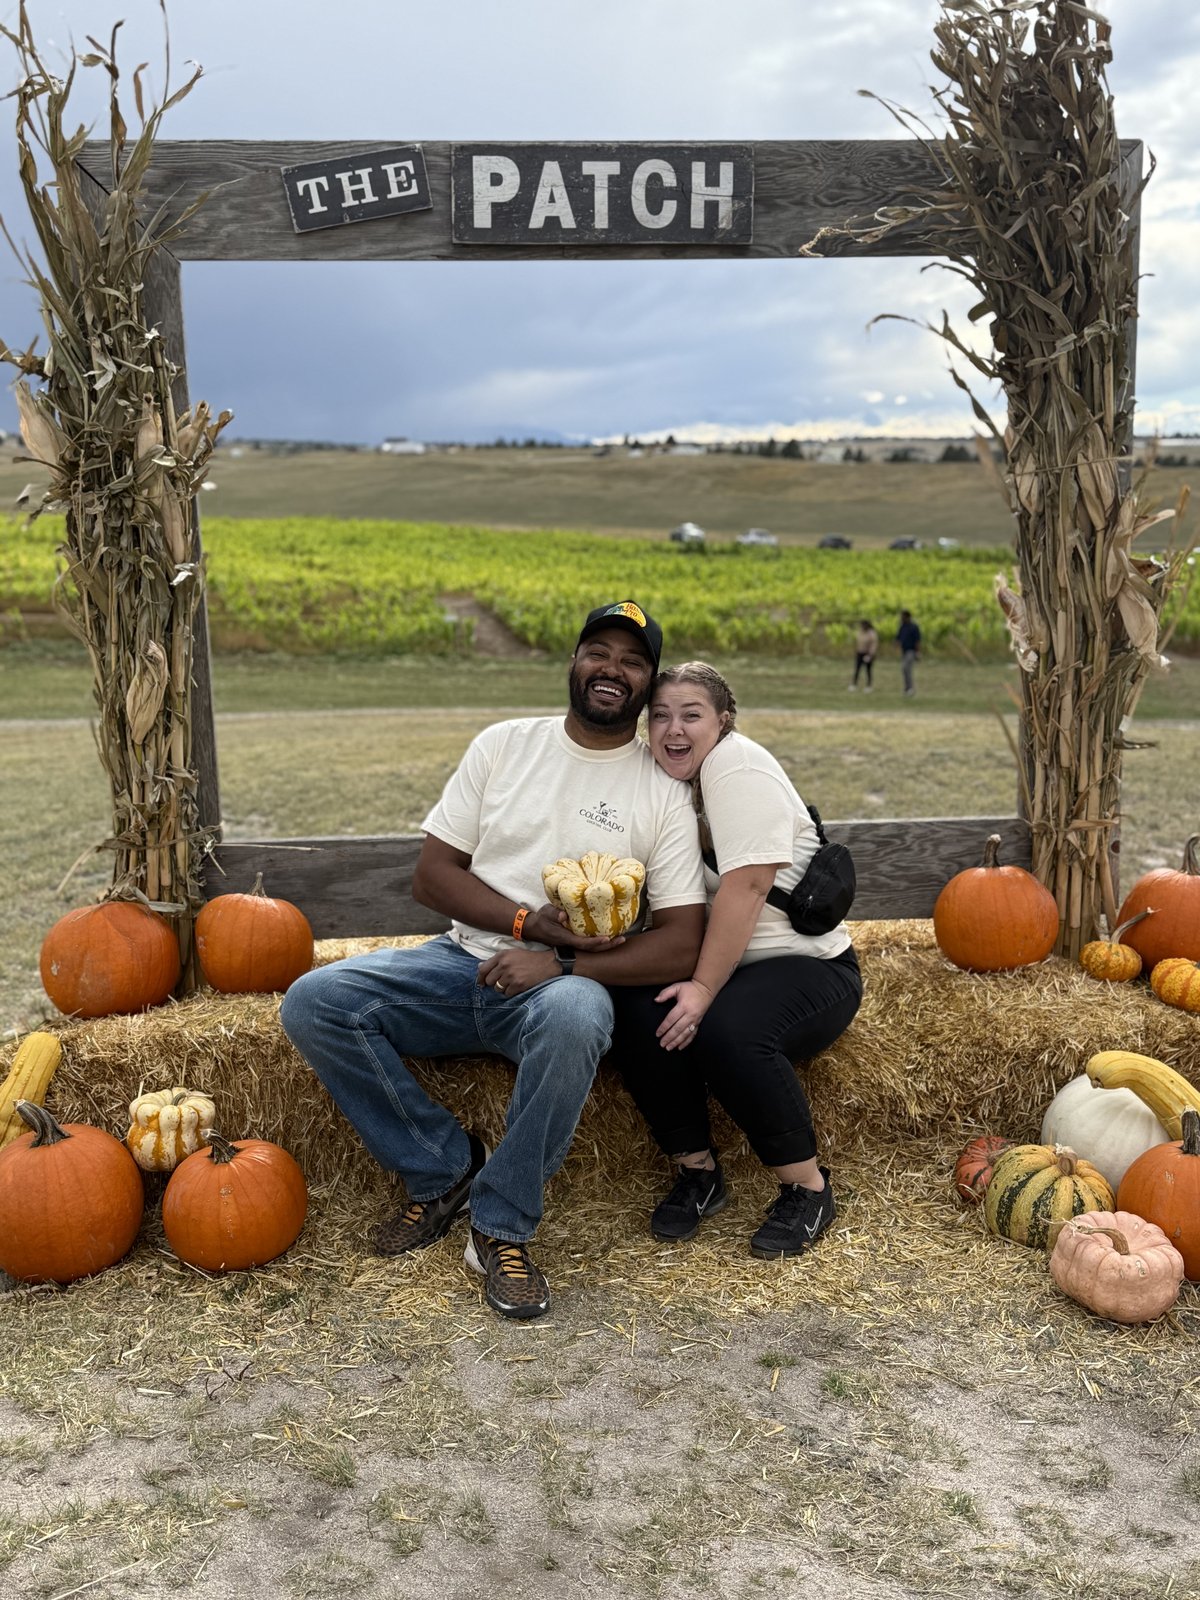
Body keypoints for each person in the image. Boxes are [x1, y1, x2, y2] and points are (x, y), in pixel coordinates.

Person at [280, 602, 706, 1321]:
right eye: (599, 651)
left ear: (647, 683)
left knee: (577, 1017)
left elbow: (683, 941)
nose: (613, 669)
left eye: (633, 661)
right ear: (572, 662)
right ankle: (442, 1169)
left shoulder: (659, 792)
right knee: (314, 1002)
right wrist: (520, 922)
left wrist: (560, 964)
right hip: (460, 962)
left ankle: (500, 1225)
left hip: (556, 989)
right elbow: (433, 875)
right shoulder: (506, 745)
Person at [608, 663, 863, 1258]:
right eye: (661, 715)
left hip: (811, 968)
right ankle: (697, 1172)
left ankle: (807, 1188)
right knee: (635, 1004)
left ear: (723, 723)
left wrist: (700, 988)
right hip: (738, 968)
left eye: (691, 715)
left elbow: (746, 890)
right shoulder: (672, 784)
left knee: (725, 1029)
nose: (674, 728)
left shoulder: (735, 766)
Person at [896, 609, 921, 696]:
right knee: (904, 670)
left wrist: (918, 652)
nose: (901, 618)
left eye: (902, 616)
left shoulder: (914, 627)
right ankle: (907, 688)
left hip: (911, 651)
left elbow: (917, 640)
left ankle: (910, 688)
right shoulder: (902, 626)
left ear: (907, 617)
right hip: (904, 651)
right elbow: (898, 638)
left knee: (906, 668)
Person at [848, 618, 878, 692]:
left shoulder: (871, 633)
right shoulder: (860, 632)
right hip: (860, 653)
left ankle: (869, 685)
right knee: (857, 669)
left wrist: (871, 655)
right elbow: (857, 642)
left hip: (868, 653)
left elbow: (873, 645)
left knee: (868, 670)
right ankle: (854, 684)